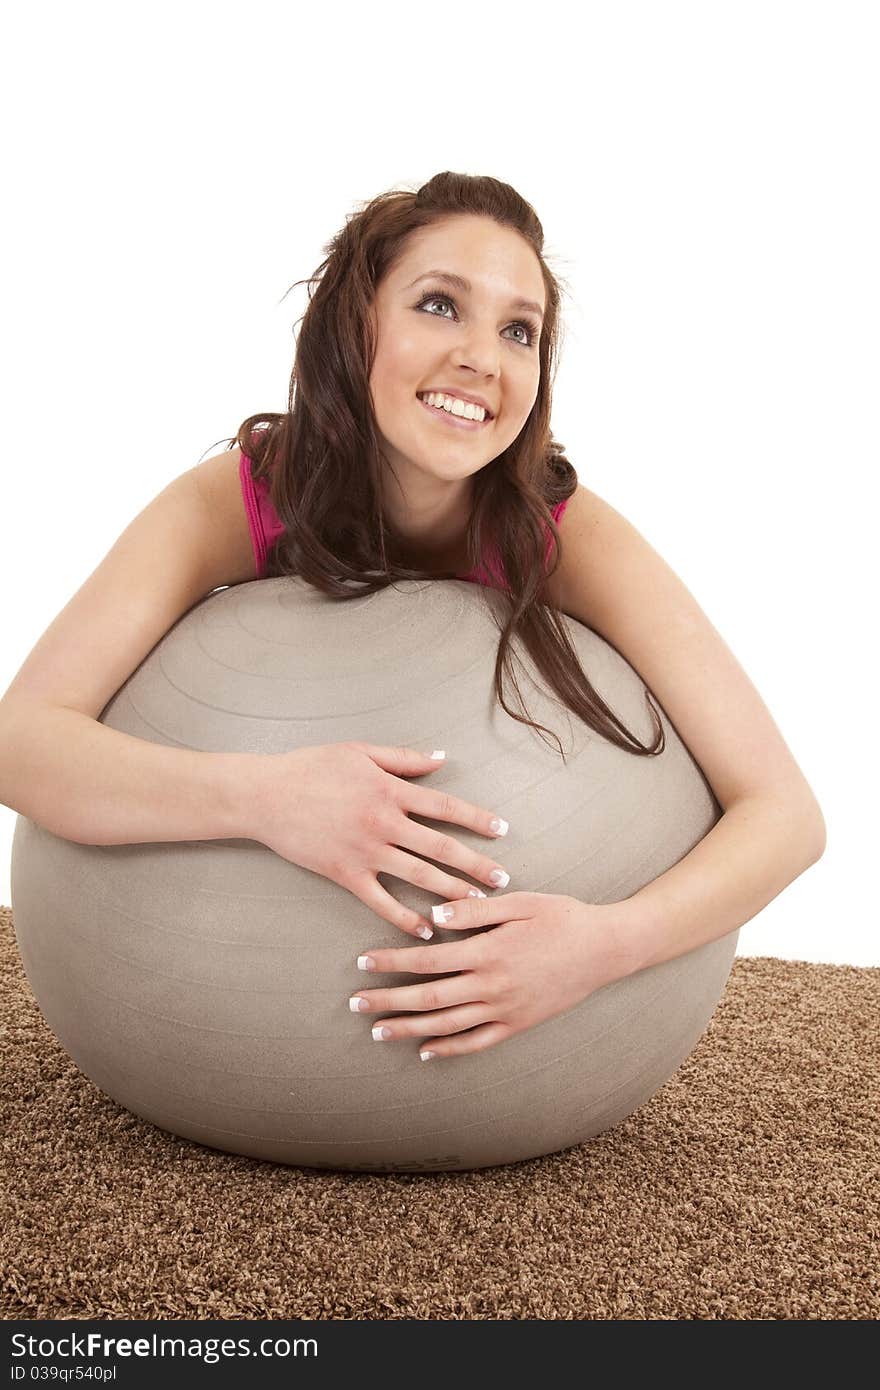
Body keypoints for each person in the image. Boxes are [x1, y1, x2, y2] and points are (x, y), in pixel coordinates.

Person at [0, 172, 826, 1061]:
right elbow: (21, 741)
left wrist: (603, 946)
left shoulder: (564, 533)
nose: (483, 356)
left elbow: (785, 815)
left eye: (519, 330)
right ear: (354, 329)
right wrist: (265, 796)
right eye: (439, 305)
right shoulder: (238, 500)